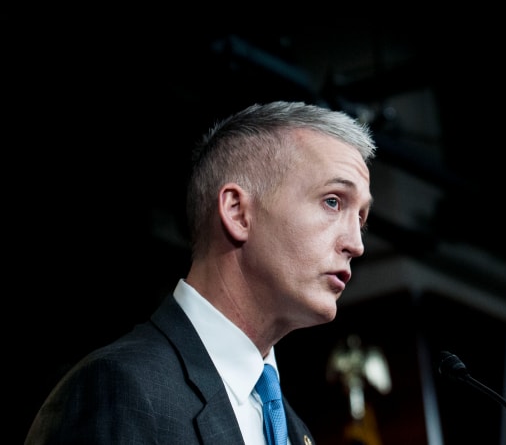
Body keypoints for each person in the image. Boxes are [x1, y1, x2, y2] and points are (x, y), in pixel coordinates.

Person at [24, 100, 377, 444]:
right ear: (238, 212)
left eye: (360, 219)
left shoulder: (294, 430)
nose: (356, 244)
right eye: (333, 202)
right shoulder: (119, 388)